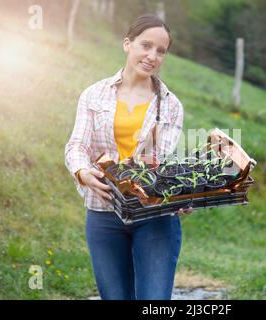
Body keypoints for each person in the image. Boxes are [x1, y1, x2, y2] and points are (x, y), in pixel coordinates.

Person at [64, 13, 192, 300]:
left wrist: (182, 191)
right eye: (146, 45)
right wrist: (83, 173)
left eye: (161, 51)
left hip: (155, 216)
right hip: (103, 213)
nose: (152, 56)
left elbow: (165, 161)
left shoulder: (170, 105)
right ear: (127, 44)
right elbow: (77, 146)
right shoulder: (94, 95)